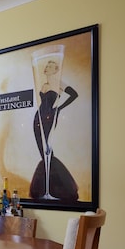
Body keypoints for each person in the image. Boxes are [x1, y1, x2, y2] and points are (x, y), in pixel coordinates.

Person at [29, 60, 79, 201]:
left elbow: (74, 94)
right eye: (47, 65)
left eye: (50, 66)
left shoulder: (59, 83)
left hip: (49, 117)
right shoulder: (44, 84)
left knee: (48, 150)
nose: (47, 67)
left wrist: (59, 108)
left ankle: (55, 188)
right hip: (38, 117)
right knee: (42, 151)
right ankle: (47, 189)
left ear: (56, 69)